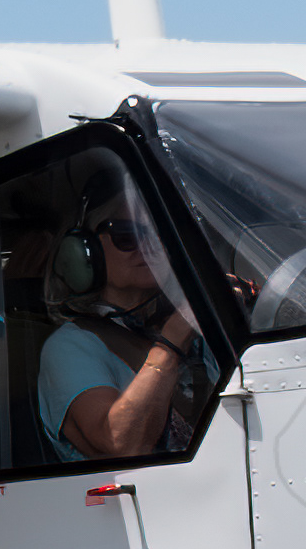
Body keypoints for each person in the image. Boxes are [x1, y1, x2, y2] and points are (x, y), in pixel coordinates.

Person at [38, 181, 216, 462]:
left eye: (157, 235)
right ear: (84, 251)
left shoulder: (195, 330)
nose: (147, 247)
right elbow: (122, 444)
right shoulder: (69, 346)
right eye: (127, 235)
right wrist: (170, 345)